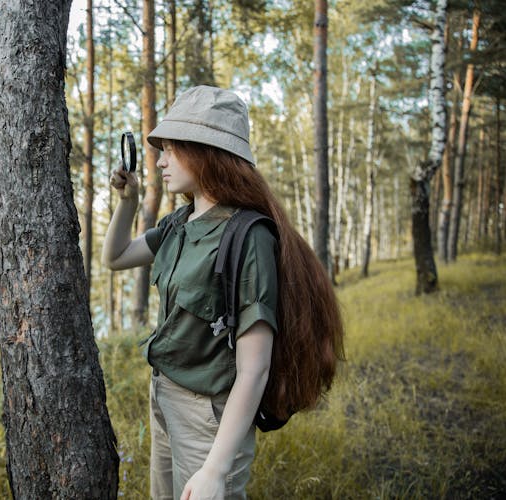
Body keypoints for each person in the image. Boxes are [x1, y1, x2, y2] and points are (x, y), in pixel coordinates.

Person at [102, 85, 344, 500]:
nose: (161, 160)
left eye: (172, 149)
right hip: (163, 394)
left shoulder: (247, 237)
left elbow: (254, 369)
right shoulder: (181, 222)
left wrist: (216, 468)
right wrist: (129, 201)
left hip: (208, 417)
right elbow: (118, 256)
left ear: (205, 152)